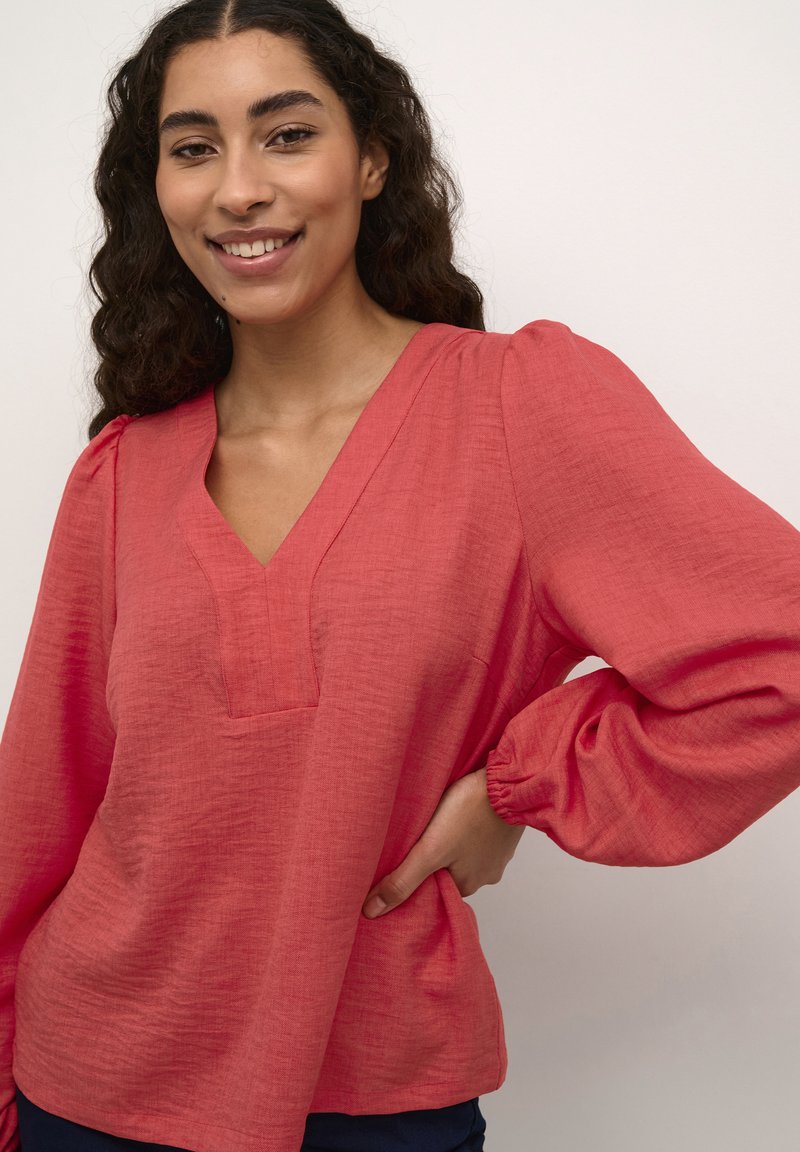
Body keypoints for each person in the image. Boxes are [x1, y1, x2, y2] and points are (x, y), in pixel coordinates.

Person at [1, 0, 798, 1149]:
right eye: (193, 148)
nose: (238, 188)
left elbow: (775, 658)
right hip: (85, 1085)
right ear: (157, 190)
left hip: (375, 1099)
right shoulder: (122, 473)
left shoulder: (516, 407)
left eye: (286, 134)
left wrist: (517, 786)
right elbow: (40, 811)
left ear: (371, 160)